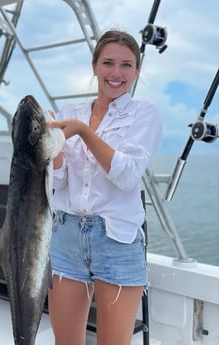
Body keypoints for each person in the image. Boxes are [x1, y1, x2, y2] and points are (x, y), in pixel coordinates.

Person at [47, 29, 162, 345]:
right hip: (66, 235)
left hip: (117, 241)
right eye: (108, 62)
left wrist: (84, 133)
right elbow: (60, 182)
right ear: (94, 65)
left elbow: (126, 175)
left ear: (136, 71)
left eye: (126, 65)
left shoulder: (144, 114)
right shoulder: (71, 113)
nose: (116, 73)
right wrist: (51, 148)